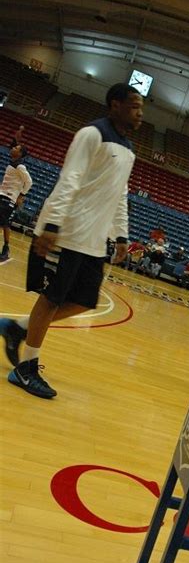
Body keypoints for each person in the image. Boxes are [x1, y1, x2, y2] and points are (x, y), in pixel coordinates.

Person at [0, 83, 143, 398]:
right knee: (51, 299)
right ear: (115, 104)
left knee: (83, 301)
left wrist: (121, 235)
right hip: (67, 231)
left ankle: (18, 328)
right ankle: (26, 369)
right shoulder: (92, 134)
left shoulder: (129, 149)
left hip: (94, 239)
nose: (140, 113)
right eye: (135, 106)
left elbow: (120, 194)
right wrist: (51, 225)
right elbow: (70, 179)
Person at [0, 133, 33, 260]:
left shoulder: (20, 166)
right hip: (2, 194)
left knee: (5, 223)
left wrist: (21, 195)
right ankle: (5, 248)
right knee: (3, 223)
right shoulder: (12, 163)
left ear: (20, 154)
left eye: (16, 148)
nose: (13, 149)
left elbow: (29, 182)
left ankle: (6, 248)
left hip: (9, 198)